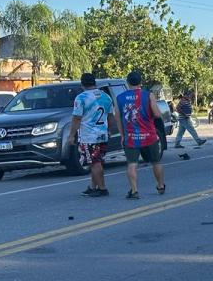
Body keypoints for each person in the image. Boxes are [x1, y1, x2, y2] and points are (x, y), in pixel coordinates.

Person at [116, 71, 166, 199]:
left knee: (132, 164)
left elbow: (118, 118)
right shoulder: (148, 95)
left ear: (127, 82)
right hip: (149, 135)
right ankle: (160, 185)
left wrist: (122, 135)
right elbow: (157, 114)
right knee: (155, 162)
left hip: (131, 137)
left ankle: (134, 190)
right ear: (140, 82)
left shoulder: (120, 98)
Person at [69, 73, 118, 197]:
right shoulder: (106, 96)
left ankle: (102, 188)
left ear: (82, 84)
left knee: (94, 162)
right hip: (102, 133)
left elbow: (76, 118)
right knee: (97, 161)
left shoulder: (81, 98)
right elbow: (110, 116)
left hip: (89, 136)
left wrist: (71, 135)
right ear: (95, 82)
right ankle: (93, 186)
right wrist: (110, 129)